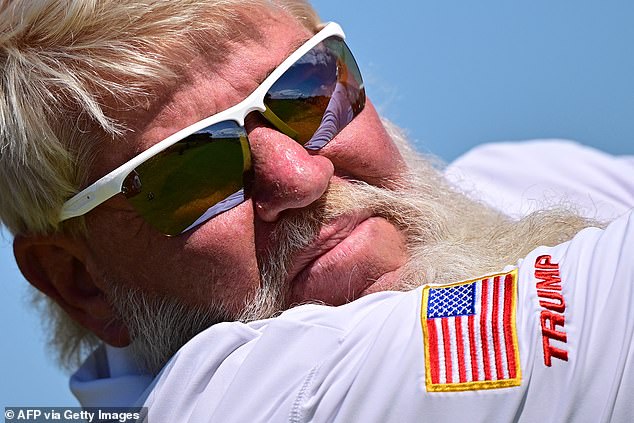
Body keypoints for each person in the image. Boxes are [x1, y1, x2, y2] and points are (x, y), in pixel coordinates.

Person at [1, 0, 632, 421]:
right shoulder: (252, 401)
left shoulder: (523, 175)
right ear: (79, 282)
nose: (302, 177)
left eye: (307, 90)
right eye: (189, 169)